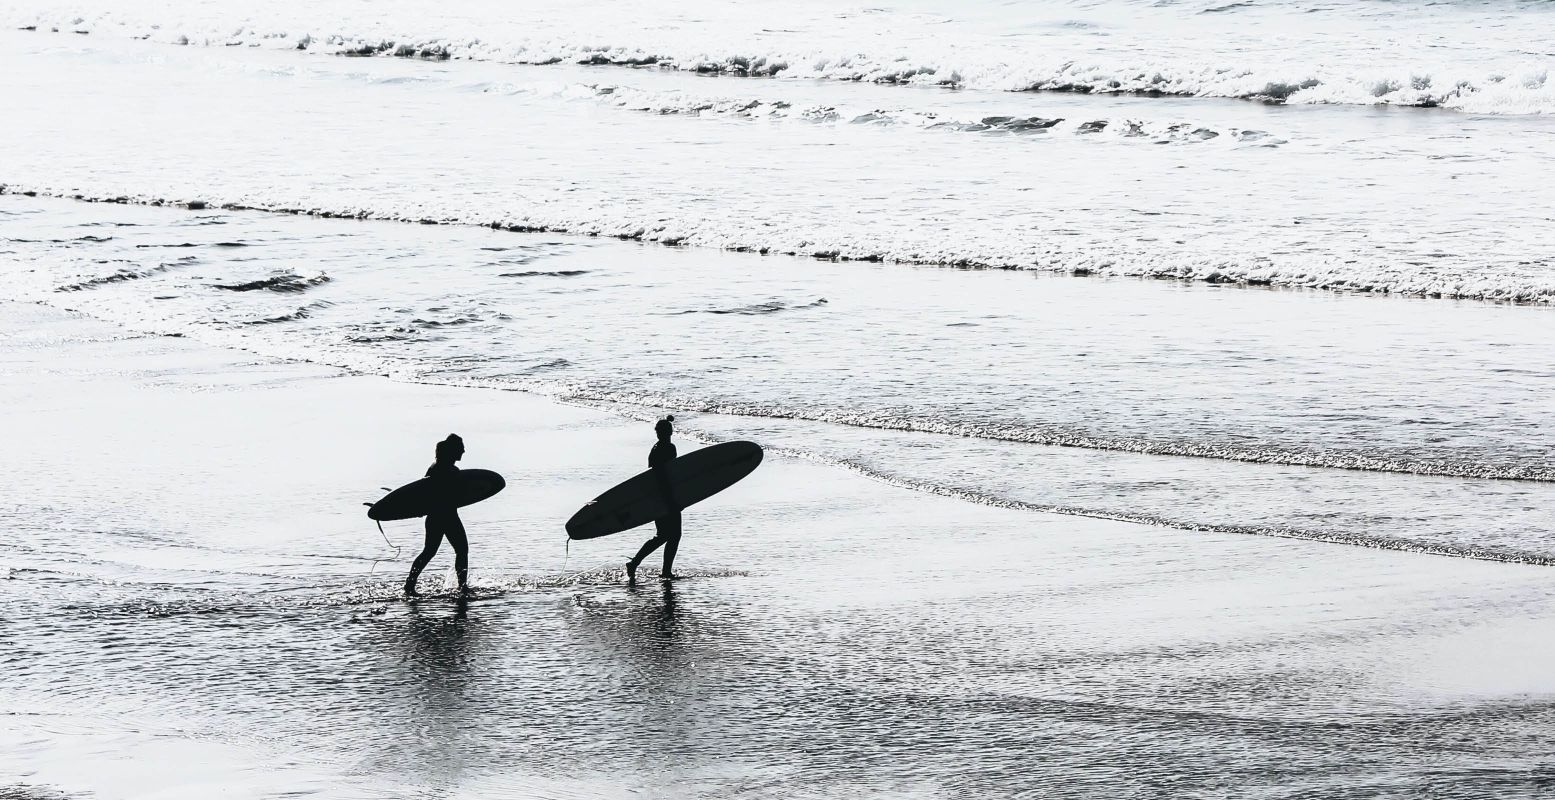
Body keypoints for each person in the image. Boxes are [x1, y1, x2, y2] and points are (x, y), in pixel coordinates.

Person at [405, 434, 470, 597]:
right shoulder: (450, 470)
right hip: (447, 516)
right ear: (453, 450)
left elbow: (424, 493)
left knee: (429, 551)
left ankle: (410, 584)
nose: (463, 450)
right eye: (461, 447)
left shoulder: (434, 467)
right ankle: (462, 588)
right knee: (461, 550)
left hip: (435, 517)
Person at [626, 416, 681, 585]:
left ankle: (637, 563)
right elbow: (667, 476)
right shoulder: (668, 448)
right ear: (670, 432)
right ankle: (660, 570)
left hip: (657, 497)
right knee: (672, 535)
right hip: (666, 498)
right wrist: (674, 499)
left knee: (665, 535)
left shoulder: (655, 449)